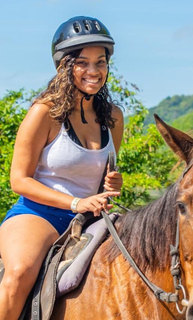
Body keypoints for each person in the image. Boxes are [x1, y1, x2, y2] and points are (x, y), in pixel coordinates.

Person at [0, 16, 124, 319]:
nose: (94, 71)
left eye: (101, 62)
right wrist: (75, 202)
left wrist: (110, 187)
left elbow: (98, 182)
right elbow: (19, 180)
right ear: (64, 66)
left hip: (91, 218)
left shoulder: (114, 117)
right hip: (38, 214)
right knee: (19, 272)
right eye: (83, 63)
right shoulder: (44, 113)